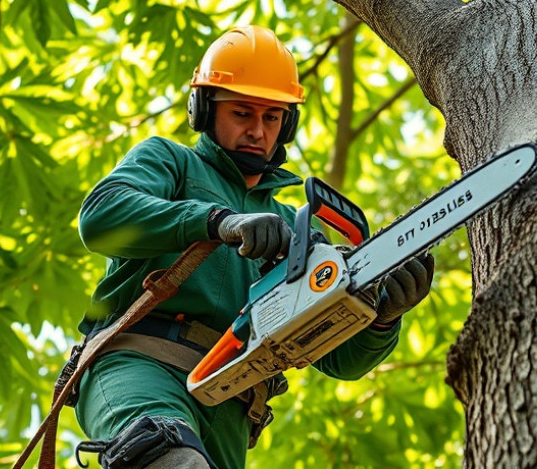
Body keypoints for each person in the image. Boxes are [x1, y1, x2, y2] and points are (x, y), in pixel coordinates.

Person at [72, 25, 434, 469]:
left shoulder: (292, 224)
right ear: (204, 109)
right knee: (172, 461)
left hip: (234, 404)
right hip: (143, 363)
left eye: (271, 117)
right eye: (242, 113)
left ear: (288, 122)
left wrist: (382, 318)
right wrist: (217, 221)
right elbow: (102, 217)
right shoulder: (171, 161)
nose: (258, 131)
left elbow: (340, 359)